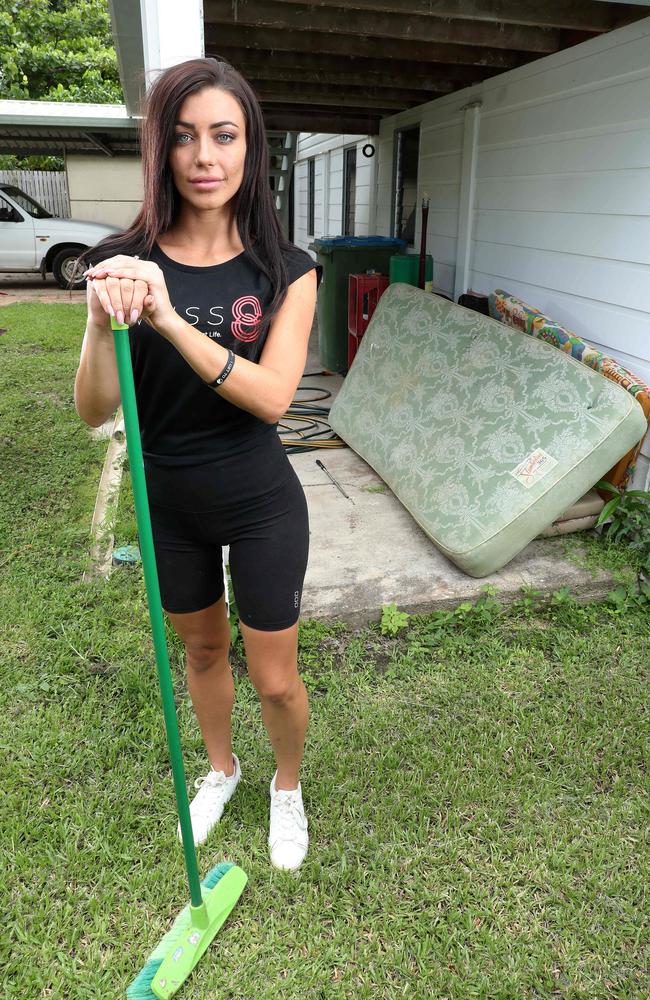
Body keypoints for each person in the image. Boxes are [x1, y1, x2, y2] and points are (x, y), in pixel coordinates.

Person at [74, 57, 322, 872]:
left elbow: (276, 397)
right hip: (165, 498)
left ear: (251, 149)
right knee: (204, 653)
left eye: (224, 135)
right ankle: (223, 768)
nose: (204, 156)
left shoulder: (287, 269)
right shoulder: (121, 258)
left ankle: (286, 785)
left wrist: (169, 318)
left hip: (258, 499)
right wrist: (98, 315)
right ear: (161, 150)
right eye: (183, 137)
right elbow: (94, 410)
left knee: (276, 679)